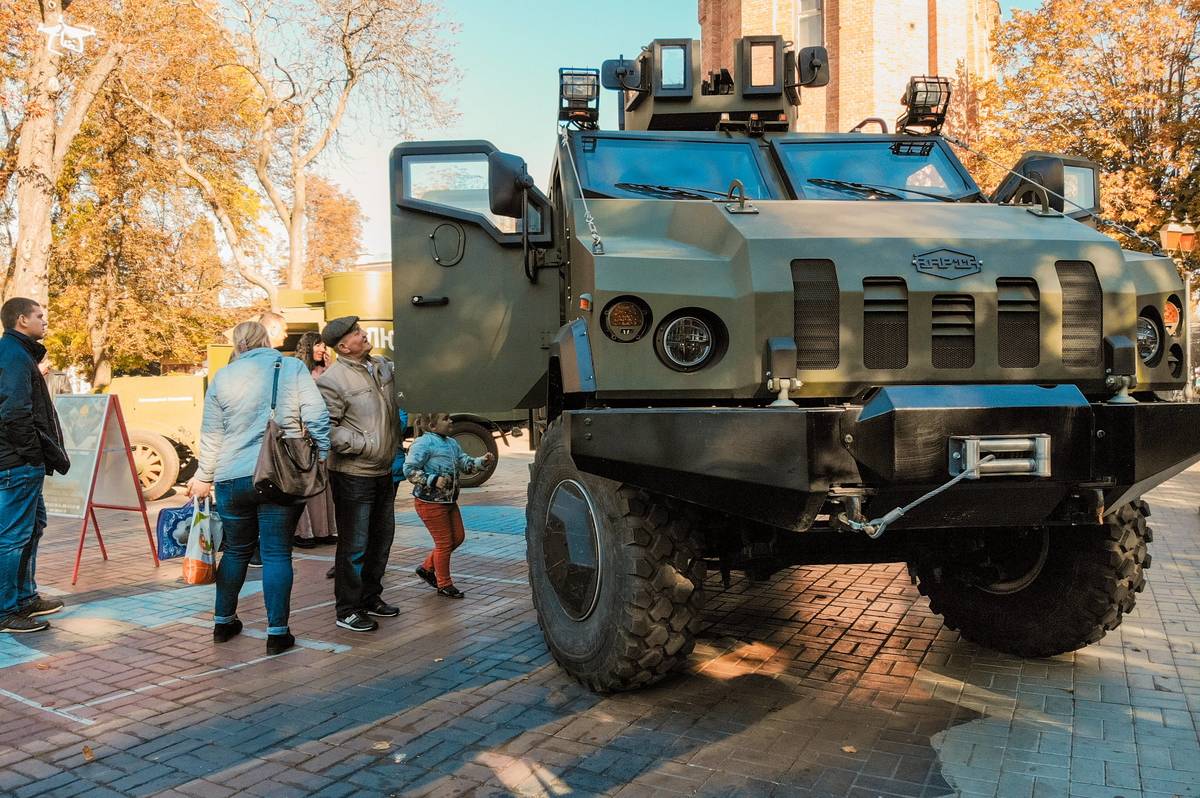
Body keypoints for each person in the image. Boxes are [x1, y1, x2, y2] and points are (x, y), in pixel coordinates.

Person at [187, 320, 330, 656]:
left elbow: (211, 435)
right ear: (265, 339)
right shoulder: (292, 367)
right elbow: (317, 415)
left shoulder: (222, 377)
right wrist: (321, 452)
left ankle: (224, 621)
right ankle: (277, 632)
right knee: (277, 552)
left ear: (237, 345)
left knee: (235, 550)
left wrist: (205, 476)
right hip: (280, 474)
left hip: (231, 477)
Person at [316, 316, 401, 632]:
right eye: (356, 333)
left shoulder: (381, 366)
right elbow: (325, 429)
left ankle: (370, 597)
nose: (363, 334)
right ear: (342, 345)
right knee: (355, 544)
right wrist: (365, 444)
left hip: (383, 471)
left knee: (381, 540)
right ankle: (347, 608)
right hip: (353, 474)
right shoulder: (332, 380)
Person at [0, 298, 69, 633]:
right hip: (17, 464)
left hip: (20, 463)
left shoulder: (18, 353)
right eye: (40, 316)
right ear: (21, 319)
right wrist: (33, 454)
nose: (45, 321)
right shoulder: (13, 355)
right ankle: (5, 610)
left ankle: (25, 598)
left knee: (32, 527)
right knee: (12, 537)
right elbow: (14, 413)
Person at [404, 412, 494, 599]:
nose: (451, 421)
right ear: (432, 426)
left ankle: (427, 568)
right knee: (444, 543)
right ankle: (444, 583)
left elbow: (465, 464)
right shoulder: (423, 443)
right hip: (430, 502)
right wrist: (432, 479)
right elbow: (409, 469)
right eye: (445, 418)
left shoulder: (451, 443)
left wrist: (481, 461)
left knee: (458, 538)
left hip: (449, 501)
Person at [293, 332, 336, 549]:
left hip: (323, 433)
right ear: (308, 346)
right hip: (304, 434)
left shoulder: (326, 370)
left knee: (323, 482)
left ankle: (324, 530)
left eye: (324, 345)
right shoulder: (298, 369)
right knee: (306, 482)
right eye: (318, 344)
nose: (323, 349)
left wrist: (330, 370)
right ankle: (304, 532)